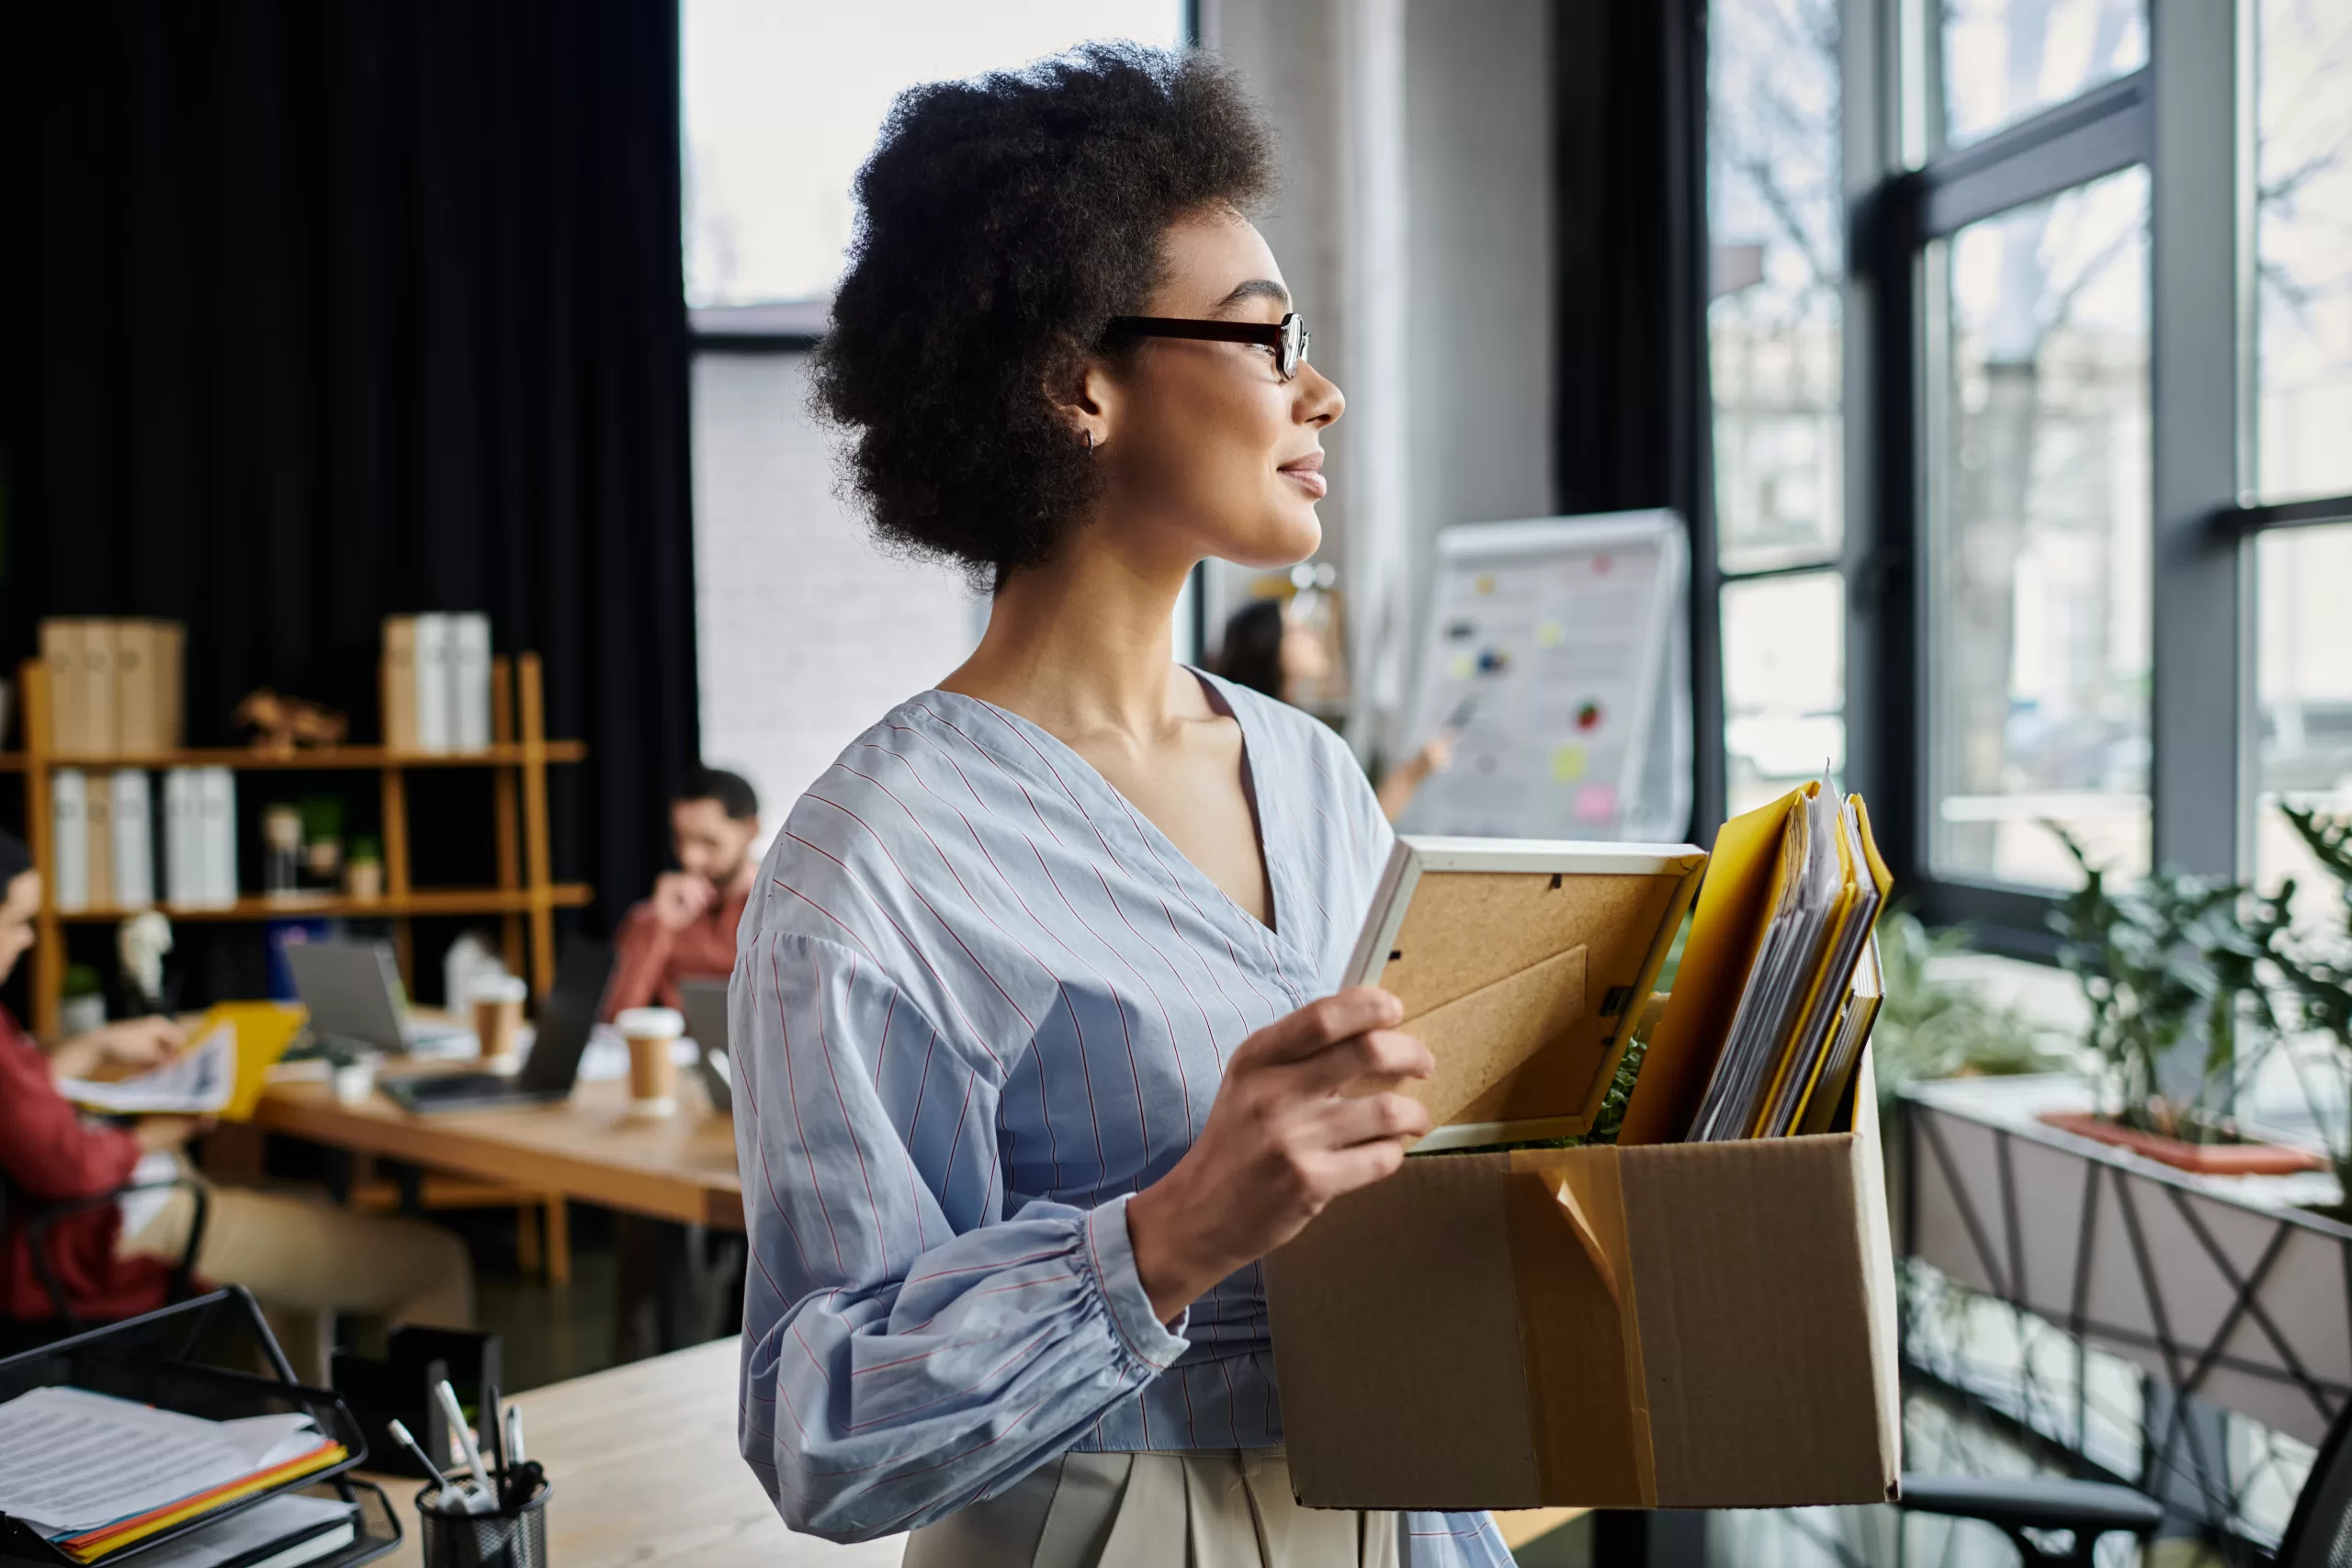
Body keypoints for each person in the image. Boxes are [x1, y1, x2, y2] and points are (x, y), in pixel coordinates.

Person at [730, 45, 1509, 1567]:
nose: (1321, 389)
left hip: (1386, 1492)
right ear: (1075, 380)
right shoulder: (874, 862)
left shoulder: (1312, 774)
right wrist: (1168, 1237)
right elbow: (815, 1425)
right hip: (1103, 1529)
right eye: (1263, 338)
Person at [0, 830, 470, 1378]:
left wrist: (95, 1045)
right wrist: (161, 1132)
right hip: (117, 1227)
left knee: (312, 1200)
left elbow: (18, 1102)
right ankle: (451, 1457)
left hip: (119, 1212)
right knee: (436, 1262)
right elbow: (70, 1166)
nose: (30, 938)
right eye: (17, 921)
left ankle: (303, 1431)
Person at [1216, 598, 1455, 822]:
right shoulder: (1268, 740)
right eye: (1297, 631)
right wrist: (1413, 773)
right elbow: (1355, 834)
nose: (1314, 635)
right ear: (1268, 645)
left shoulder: (1278, 727)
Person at [605, 767, 762, 1020]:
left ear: (751, 830)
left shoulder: (782, 913)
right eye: (680, 839)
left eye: (709, 842)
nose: (690, 858)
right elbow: (615, 1021)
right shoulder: (657, 915)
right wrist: (658, 924)